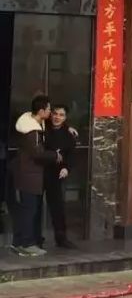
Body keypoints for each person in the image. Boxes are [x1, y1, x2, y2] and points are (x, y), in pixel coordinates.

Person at [10, 95, 61, 257]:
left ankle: (18, 242)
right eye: (48, 109)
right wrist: (55, 155)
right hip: (29, 177)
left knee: (26, 210)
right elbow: (38, 154)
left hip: (28, 175)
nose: (50, 112)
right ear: (41, 111)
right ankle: (26, 244)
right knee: (29, 211)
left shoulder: (36, 124)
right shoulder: (32, 131)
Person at [43, 104, 77, 249]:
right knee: (35, 206)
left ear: (65, 118)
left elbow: (71, 156)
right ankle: (34, 238)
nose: (57, 117)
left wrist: (66, 168)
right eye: (55, 113)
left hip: (56, 174)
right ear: (50, 114)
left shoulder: (69, 135)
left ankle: (61, 238)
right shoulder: (43, 127)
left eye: (61, 115)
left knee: (57, 208)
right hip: (39, 171)